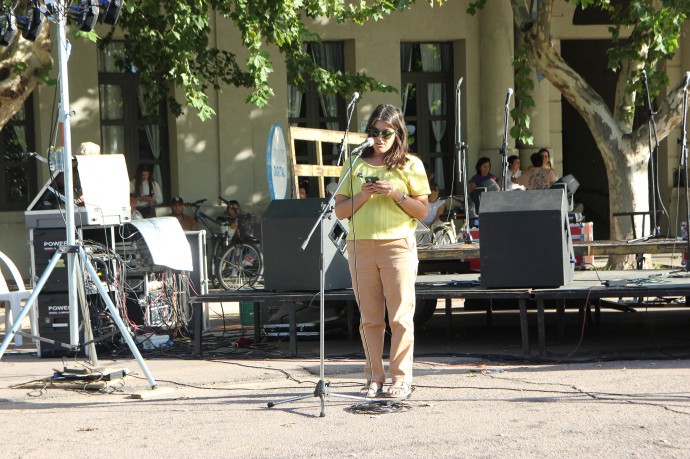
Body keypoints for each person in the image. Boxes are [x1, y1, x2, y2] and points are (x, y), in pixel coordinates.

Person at [334, 104, 430, 400]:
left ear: (398, 133)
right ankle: (374, 376)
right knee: (370, 318)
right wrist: (363, 196)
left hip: (397, 246)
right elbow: (339, 210)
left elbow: (423, 211)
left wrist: (396, 194)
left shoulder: (410, 165)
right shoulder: (354, 163)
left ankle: (401, 379)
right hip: (360, 246)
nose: (378, 138)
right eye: (373, 132)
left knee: (400, 317)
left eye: (385, 133)